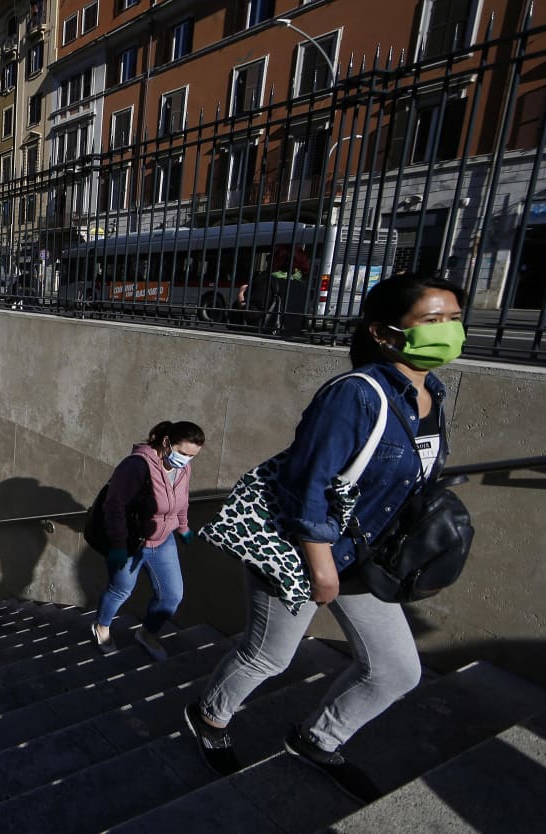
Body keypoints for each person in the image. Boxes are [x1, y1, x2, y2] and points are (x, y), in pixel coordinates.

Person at [185, 274, 465, 801]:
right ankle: (208, 716)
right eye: (432, 320)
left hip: (366, 553)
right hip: (303, 550)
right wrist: (320, 564)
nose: (449, 331)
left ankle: (317, 739)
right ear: (384, 333)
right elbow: (305, 484)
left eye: (453, 318)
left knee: (397, 670)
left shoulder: (432, 392)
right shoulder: (356, 396)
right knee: (270, 657)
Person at [90, 422, 205, 661]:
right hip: (132, 543)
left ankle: (147, 633)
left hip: (163, 541)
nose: (186, 460)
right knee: (121, 589)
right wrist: (119, 544)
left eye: (192, 456)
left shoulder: (184, 469)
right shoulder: (136, 466)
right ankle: (101, 626)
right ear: (166, 443)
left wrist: (183, 527)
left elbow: (182, 501)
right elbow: (114, 507)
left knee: (172, 595)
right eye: (183, 453)